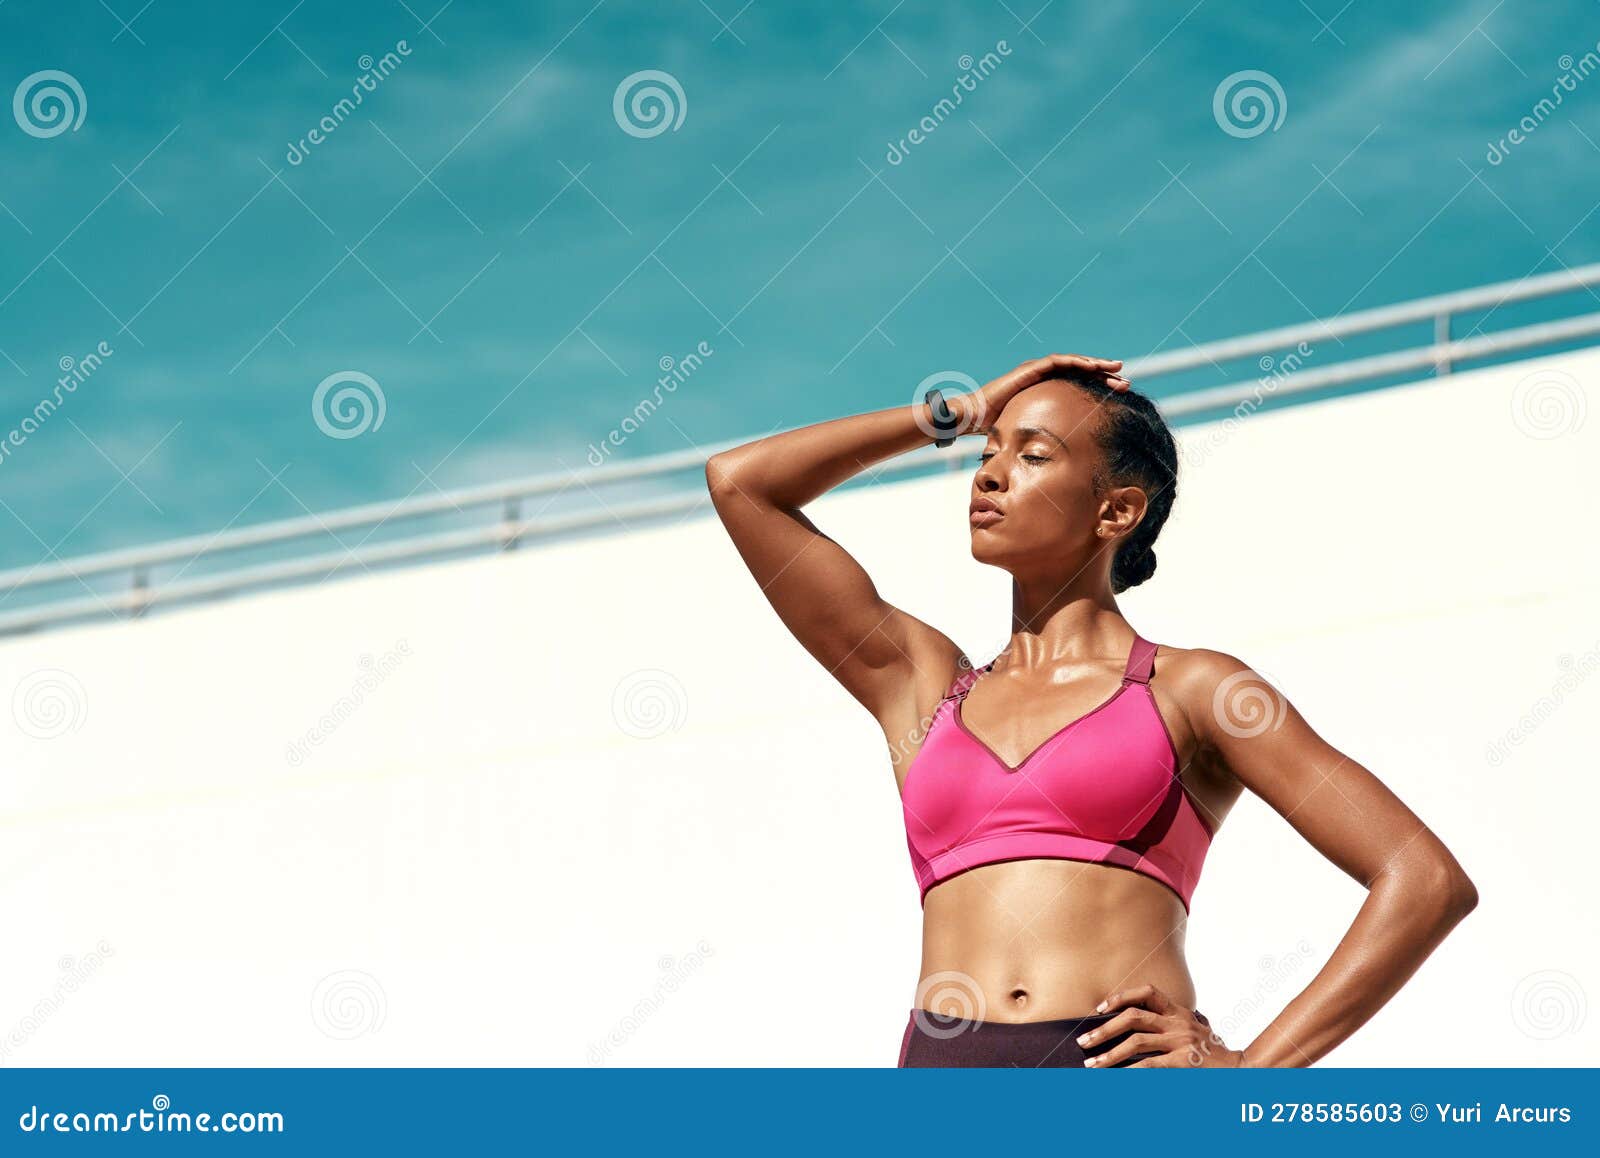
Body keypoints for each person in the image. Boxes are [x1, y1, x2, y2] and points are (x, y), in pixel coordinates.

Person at [704, 354, 1478, 1067]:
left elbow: (1422, 880)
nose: (991, 475)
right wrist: (960, 412)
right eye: (987, 454)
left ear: (1116, 513)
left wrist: (1251, 1073)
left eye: (1032, 455)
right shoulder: (924, 687)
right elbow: (740, 482)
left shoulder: (1194, 690)